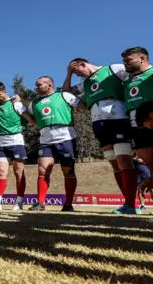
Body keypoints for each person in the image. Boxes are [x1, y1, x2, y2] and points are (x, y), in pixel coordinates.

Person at [64, 58, 138, 215]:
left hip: (119, 118)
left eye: (77, 71)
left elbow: (136, 76)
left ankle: (133, 204)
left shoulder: (113, 69)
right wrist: (69, 73)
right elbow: (66, 94)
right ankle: (127, 203)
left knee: (124, 160)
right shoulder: (85, 83)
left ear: (83, 64)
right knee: (114, 163)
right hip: (98, 123)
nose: (78, 75)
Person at [23, 76, 81, 212]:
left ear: (49, 85)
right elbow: (28, 115)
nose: (36, 87)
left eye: (39, 84)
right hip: (45, 140)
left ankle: (68, 204)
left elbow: (82, 105)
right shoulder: (34, 103)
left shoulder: (64, 96)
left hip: (65, 137)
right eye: (36, 85)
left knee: (68, 171)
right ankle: (40, 203)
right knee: (42, 170)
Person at [0, 82, 33, 211]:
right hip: (1, 143)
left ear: (5, 91)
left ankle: (19, 202)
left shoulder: (16, 104)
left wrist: (36, 125)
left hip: (16, 140)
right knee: (1, 172)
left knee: (18, 172)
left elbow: (29, 118)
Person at [123, 47, 153, 185]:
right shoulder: (127, 82)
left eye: (128, 60)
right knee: (149, 163)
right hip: (135, 123)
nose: (125, 63)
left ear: (142, 59)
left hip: (150, 119)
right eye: (124, 61)